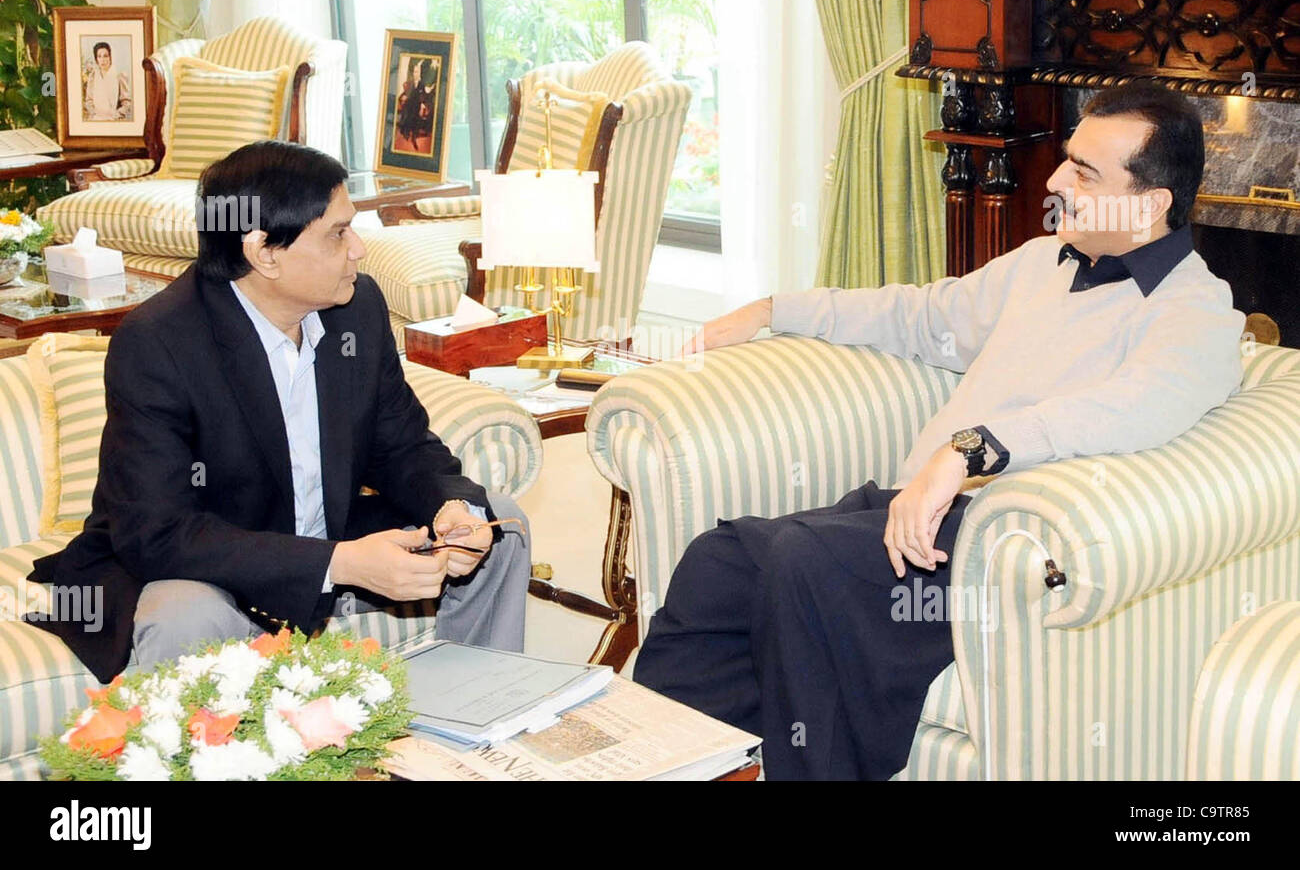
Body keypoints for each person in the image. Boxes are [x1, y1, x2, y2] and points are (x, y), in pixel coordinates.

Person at [632, 82, 1246, 780]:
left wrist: (967, 449)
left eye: (1082, 171)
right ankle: (661, 766)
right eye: (1064, 159)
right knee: (720, 562)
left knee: (800, 562)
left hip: (999, 549)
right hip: (910, 513)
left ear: (1151, 202)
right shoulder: (1044, 262)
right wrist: (772, 309)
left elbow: (1132, 409)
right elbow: (921, 317)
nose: (1052, 181)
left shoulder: (1196, 313)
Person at [27, 140, 531, 683]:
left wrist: (452, 505)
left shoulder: (356, 309)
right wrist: (338, 563)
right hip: (212, 563)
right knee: (183, 617)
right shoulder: (158, 343)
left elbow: (401, 444)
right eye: (338, 233)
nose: (358, 249)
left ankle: (471, 720)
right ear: (264, 252)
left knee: (500, 524)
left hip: (324, 535)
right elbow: (158, 532)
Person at [82, 42, 131, 121]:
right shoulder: (93, 76)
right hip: (96, 119)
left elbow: (126, 102)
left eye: (105, 56)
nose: (102, 60)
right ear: (96, 59)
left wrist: (117, 114)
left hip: (114, 119)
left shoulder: (119, 75)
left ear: (110, 57)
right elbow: (89, 100)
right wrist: (94, 113)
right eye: (99, 56)